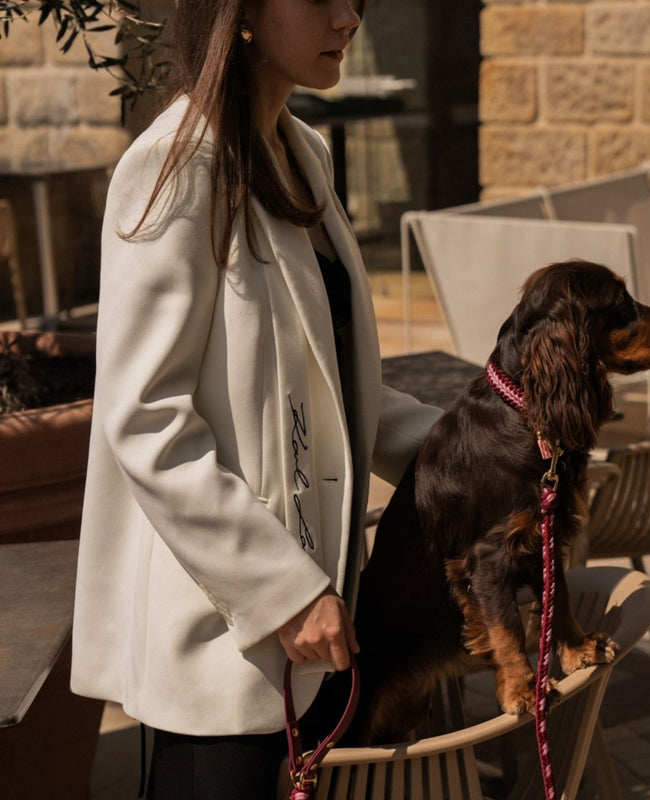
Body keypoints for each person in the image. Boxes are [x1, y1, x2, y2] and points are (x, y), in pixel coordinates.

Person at [70, 0, 441, 796]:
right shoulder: (174, 164)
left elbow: (338, 381)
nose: (348, 19)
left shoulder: (302, 150)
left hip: (326, 621)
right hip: (228, 644)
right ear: (238, 14)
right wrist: (283, 591)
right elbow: (145, 418)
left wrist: (490, 446)